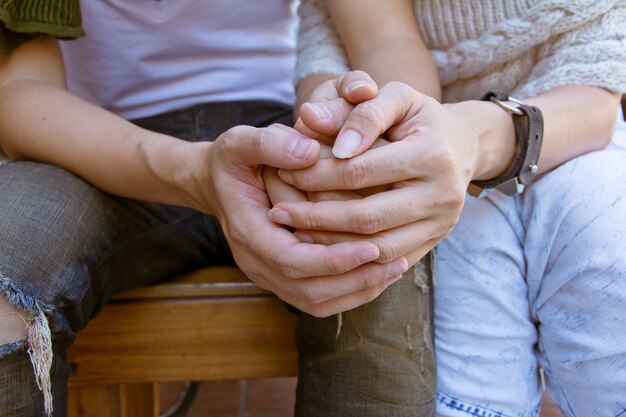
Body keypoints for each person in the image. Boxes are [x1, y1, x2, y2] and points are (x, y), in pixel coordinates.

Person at [0, 1, 435, 417]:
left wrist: (382, 142)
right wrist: (196, 170)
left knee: (376, 246)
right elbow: (18, 88)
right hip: (94, 147)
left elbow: (386, 39)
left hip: (284, 130)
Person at [263, 0, 626, 416]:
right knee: (463, 370)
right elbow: (364, 49)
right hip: (431, 158)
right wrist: (345, 120)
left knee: (608, 269)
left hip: (570, 139)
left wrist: (462, 138)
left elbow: (594, 95)